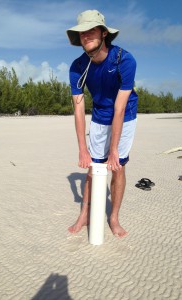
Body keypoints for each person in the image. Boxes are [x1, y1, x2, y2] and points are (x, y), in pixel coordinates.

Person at [66, 10, 138, 238]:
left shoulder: (124, 60)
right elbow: (78, 108)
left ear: (104, 33)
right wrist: (82, 149)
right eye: (82, 32)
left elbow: (119, 108)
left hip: (125, 115)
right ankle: (84, 214)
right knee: (92, 169)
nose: (86, 35)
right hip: (98, 116)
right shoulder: (77, 66)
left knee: (117, 167)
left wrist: (114, 149)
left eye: (92, 30)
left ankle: (114, 217)